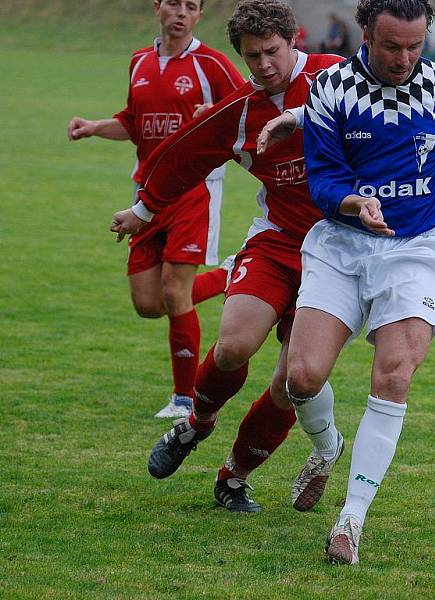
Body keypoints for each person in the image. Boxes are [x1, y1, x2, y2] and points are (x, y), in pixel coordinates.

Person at [109, 0, 342, 512]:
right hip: (278, 240)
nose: (263, 65)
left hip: (339, 258)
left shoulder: (337, 80)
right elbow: (182, 157)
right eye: (252, 56)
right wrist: (143, 211)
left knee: (291, 382)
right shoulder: (240, 110)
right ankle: (196, 422)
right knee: (234, 344)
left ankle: (234, 477)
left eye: (272, 52)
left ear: (293, 41)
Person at [285, 0, 435, 564]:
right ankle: (327, 448)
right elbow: (323, 177)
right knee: (301, 377)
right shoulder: (331, 89)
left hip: (416, 249)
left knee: (394, 373)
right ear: (366, 37)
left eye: (415, 46)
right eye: (391, 46)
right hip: (342, 245)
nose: (404, 58)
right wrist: (355, 202)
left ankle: (350, 521)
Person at [68, 0, 245, 418]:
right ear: (157, 8)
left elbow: (247, 106)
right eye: (173, 4)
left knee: (173, 290)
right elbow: (134, 120)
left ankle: (185, 399)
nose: (180, 13)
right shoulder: (139, 62)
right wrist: (93, 127)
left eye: (190, 6)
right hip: (146, 192)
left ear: (199, 15)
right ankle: (228, 276)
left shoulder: (212, 64)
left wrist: (213, 113)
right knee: (148, 303)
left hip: (194, 189)